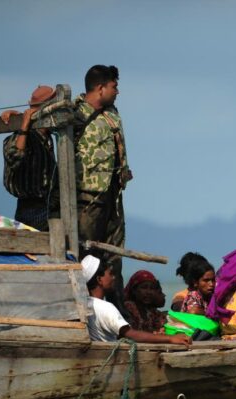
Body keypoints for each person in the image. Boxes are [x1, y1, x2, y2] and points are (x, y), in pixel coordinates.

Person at [74, 65, 132, 308]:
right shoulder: (75, 112)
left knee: (114, 256)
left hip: (113, 195)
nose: (117, 91)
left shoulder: (111, 113)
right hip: (88, 197)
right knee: (87, 256)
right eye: (113, 87)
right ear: (100, 88)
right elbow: (40, 117)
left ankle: (116, 309)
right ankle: (84, 307)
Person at [82, 255, 190, 347]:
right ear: (99, 279)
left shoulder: (85, 304)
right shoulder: (106, 307)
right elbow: (130, 334)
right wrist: (170, 339)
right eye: (110, 274)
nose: (114, 278)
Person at [0, 86, 57, 230]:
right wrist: (23, 125)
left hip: (50, 203)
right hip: (31, 208)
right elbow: (14, 156)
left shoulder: (48, 136)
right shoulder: (26, 136)